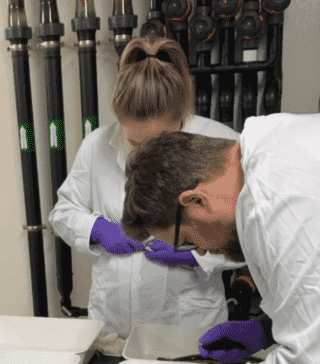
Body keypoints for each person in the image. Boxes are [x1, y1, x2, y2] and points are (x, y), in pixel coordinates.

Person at [121, 111, 320, 363]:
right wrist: (267, 328)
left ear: (196, 200)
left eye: (189, 240)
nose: (200, 252)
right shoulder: (272, 152)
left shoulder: (280, 201)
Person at [49, 35, 244, 341]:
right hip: (114, 323)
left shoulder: (221, 146)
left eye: (158, 143)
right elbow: (63, 212)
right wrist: (96, 228)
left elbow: (250, 237)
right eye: (134, 142)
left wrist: (196, 252)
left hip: (187, 324)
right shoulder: (96, 145)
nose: (143, 157)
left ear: (181, 118)